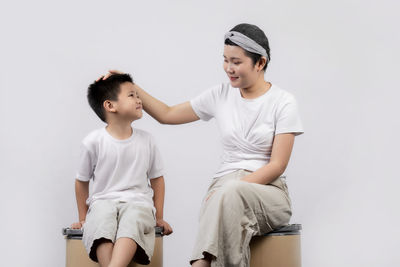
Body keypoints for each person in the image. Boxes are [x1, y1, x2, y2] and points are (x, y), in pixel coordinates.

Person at [101, 23, 303, 267]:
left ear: (260, 63)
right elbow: (167, 114)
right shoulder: (220, 95)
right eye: (225, 60)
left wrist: (230, 189)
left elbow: (278, 165)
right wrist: (130, 86)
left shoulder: (283, 102)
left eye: (236, 62)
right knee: (225, 197)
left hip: (268, 192)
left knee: (227, 194)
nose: (229, 68)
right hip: (223, 192)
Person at [70, 73, 173, 267]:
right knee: (100, 219)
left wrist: (159, 216)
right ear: (110, 106)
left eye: (137, 95)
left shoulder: (147, 140)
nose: (139, 99)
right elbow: (81, 181)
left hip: (138, 203)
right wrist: (83, 219)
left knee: (133, 219)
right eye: (132, 95)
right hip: (103, 202)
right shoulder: (93, 142)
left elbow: (157, 180)